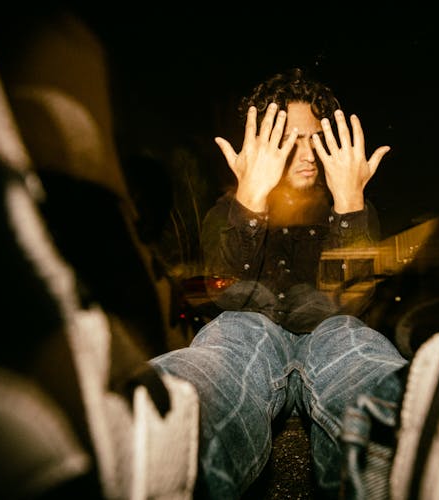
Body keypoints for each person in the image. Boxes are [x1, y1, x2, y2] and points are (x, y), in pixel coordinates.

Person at [149, 67, 409, 498]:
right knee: (234, 332)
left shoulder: (351, 206)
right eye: (291, 140)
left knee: (349, 338)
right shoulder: (225, 214)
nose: (307, 155)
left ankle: (405, 458)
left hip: (327, 334)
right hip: (252, 334)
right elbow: (225, 295)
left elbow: (354, 304)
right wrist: (250, 201)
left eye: (315, 139)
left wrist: (349, 204)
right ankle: (155, 445)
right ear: (262, 144)